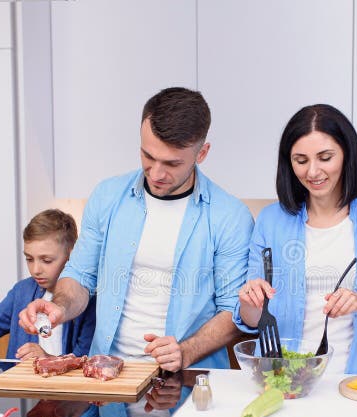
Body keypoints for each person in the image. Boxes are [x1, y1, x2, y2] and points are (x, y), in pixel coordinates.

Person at [19, 87, 253, 371]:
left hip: (189, 380)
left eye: (172, 163)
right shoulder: (107, 197)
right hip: (106, 376)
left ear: (201, 153)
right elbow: (80, 275)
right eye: (148, 156)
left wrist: (186, 351)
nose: (156, 173)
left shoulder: (230, 217)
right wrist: (60, 307)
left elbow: (233, 310)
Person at [236, 104, 357, 375]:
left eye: (325, 157)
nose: (313, 172)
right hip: (280, 377)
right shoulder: (270, 220)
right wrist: (250, 301)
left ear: (346, 154)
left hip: (354, 379)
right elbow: (253, 319)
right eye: (301, 160)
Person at [0, 209, 96, 360]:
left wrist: (47, 359)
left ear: (71, 255)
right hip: (17, 382)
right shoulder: (22, 291)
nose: (36, 270)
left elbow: (84, 360)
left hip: (60, 383)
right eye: (29, 259)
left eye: (46, 260)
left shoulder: (87, 301)